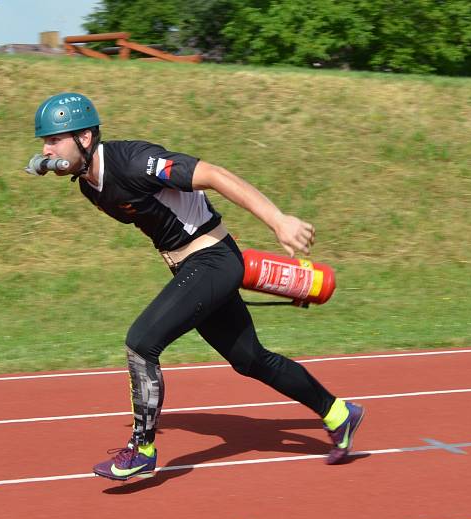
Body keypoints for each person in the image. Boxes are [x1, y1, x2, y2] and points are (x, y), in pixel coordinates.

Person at [29, 92, 365, 481]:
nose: (46, 149)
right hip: (192, 266)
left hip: (211, 260)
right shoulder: (90, 185)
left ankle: (142, 449)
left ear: (85, 138)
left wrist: (278, 220)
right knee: (249, 359)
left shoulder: (136, 162)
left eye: (54, 139)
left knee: (141, 342)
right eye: (44, 142)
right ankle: (340, 413)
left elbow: (215, 176)